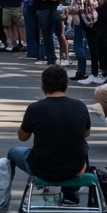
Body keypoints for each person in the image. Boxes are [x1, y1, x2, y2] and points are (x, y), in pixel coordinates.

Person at [8, 65, 91, 204]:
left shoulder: (35, 108)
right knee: (81, 144)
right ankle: (71, 193)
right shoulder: (80, 106)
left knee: (13, 152)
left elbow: (22, 137)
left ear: (43, 85)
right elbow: (86, 133)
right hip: (74, 169)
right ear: (65, 84)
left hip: (43, 169)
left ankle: (1, 199)